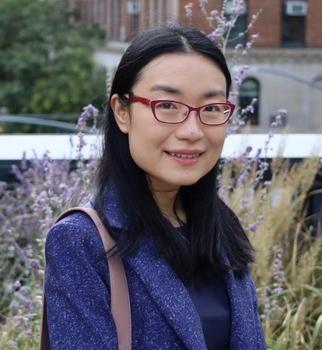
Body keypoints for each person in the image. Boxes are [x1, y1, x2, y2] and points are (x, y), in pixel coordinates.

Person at [44, 25, 267, 349]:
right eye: (167, 106)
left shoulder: (222, 225)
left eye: (211, 109)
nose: (192, 130)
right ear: (122, 112)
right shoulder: (81, 241)